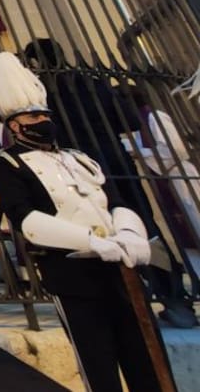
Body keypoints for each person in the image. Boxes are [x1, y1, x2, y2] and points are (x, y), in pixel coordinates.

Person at [0, 52, 174, 392]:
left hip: (120, 270)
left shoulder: (79, 158)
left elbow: (114, 199)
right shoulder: (7, 164)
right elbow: (26, 218)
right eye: (33, 115)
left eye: (44, 113)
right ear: (15, 125)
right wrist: (91, 241)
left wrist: (130, 233)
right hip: (74, 273)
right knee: (98, 363)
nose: (43, 119)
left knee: (145, 359)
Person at [25, 38, 197, 329]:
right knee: (143, 227)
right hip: (116, 163)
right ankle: (174, 298)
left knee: (89, 232)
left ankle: (115, 299)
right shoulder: (94, 83)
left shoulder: (42, 94)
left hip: (76, 169)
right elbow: (129, 121)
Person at [131, 88, 200, 273]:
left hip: (180, 176)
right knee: (184, 231)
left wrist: (140, 153)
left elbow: (175, 150)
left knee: (196, 220)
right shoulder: (139, 124)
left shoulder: (155, 117)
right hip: (166, 181)